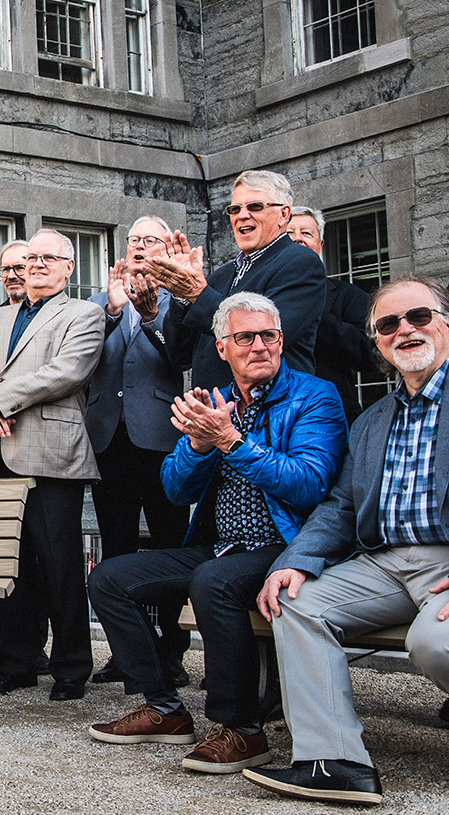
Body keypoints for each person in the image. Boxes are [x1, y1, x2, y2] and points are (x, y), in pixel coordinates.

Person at [86, 293, 345, 776]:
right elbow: (175, 489)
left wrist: (231, 441)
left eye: (268, 335)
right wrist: (199, 445)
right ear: (222, 348)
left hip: (286, 547)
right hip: (223, 546)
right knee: (109, 578)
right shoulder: (215, 402)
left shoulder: (315, 396)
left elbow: (309, 484)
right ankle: (164, 707)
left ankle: (242, 728)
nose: (259, 346)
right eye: (244, 337)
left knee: (213, 580)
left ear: (282, 341)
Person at [246, 278, 449, 805]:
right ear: (377, 341)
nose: (405, 330)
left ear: (445, 323)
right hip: (382, 563)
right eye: (388, 324)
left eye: (419, 316)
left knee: (434, 642)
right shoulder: (373, 419)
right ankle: (334, 762)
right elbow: (340, 505)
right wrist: (295, 561)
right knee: (294, 602)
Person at [0, 229, 105, 700]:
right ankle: (14, 663)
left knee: (59, 564)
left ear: (69, 267)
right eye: (32, 257)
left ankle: (71, 667)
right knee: (5, 565)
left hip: (50, 453)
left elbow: (66, 372)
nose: (38, 264)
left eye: (50, 257)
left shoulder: (83, 314)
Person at [86, 217, 191, 686]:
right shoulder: (99, 302)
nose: (141, 246)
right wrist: (112, 313)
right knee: (117, 546)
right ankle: (127, 651)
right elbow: (83, 358)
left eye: (151, 240)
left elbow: (179, 359)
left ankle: (171, 650)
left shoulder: (180, 301)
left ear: (167, 248)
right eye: (134, 240)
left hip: (162, 440)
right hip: (109, 440)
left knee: (170, 543)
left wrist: (149, 318)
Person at [149, 169, 326, 391]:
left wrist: (197, 293)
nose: (242, 215)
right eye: (235, 209)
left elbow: (265, 339)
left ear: (283, 214)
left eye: (255, 206)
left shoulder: (301, 263)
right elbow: (179, 356)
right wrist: (181, 295)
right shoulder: (220, 276)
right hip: (214, 407)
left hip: (272, 407)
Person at [287, 208, 376, 423]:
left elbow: (371, 355)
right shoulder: (259, 294)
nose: (298, 238)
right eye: (289, 233)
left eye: (306, 233)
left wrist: (312, 314)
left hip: (333, 416)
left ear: (320, 245)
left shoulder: (347, 295)